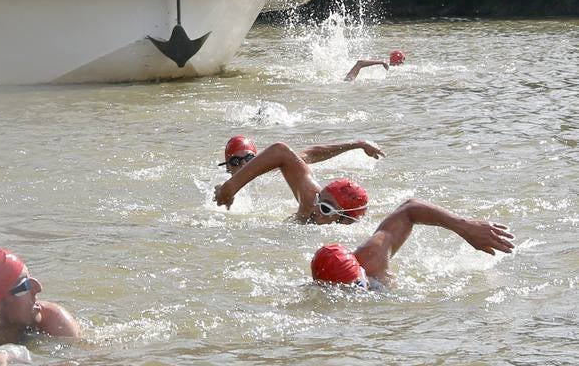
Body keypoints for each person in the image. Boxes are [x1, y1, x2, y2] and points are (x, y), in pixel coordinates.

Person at [311, 199, 515, 289]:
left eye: (358, 284)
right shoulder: (317, 297)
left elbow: (410, 208)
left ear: (360, 271)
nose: (360, 290)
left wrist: (464, 227)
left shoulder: (370, 258)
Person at [214, 138, 384, 224]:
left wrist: (357, 144)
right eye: (236, 162)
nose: (316, 208)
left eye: (325, 208)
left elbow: (308, 155)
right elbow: (283, 151)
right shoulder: (311, 201)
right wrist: (230, 188)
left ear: (346, 220)